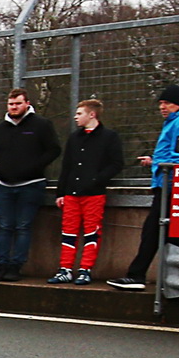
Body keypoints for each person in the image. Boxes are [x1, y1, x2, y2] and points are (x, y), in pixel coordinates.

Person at [109, 85, 179, 291]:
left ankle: (138, 276)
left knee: (154, 230)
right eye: (161, 103)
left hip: (170, 184)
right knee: (171, 234)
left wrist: (162, 168)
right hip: (172, 183)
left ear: (177, 103)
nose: (162, 107)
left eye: (166, 102)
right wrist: (155, 162)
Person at [0, 88, 62, 282]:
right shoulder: (0, 129)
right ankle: (1, 265)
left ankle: (16, 266)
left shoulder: (41, 125)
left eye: (18, 103)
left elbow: (54, 149)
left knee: (23, 226)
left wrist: (34, 166)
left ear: (27, 103)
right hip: (5, 184)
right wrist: (0, 168)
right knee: (4, 226)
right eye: (11, 104)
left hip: (31, 184)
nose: (14, 107)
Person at [49, 100, 125, 285]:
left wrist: (96, 180)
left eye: (79, 113)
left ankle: (85, 269)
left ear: (92, 115)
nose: (76, 117)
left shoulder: (109, 137)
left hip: (94, 194)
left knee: (92, 232)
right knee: (68, 232)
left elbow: (116, 163)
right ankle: (65, 269)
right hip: (71, 194)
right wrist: (61, 193)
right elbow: (66, 166)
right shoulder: (74, 138)